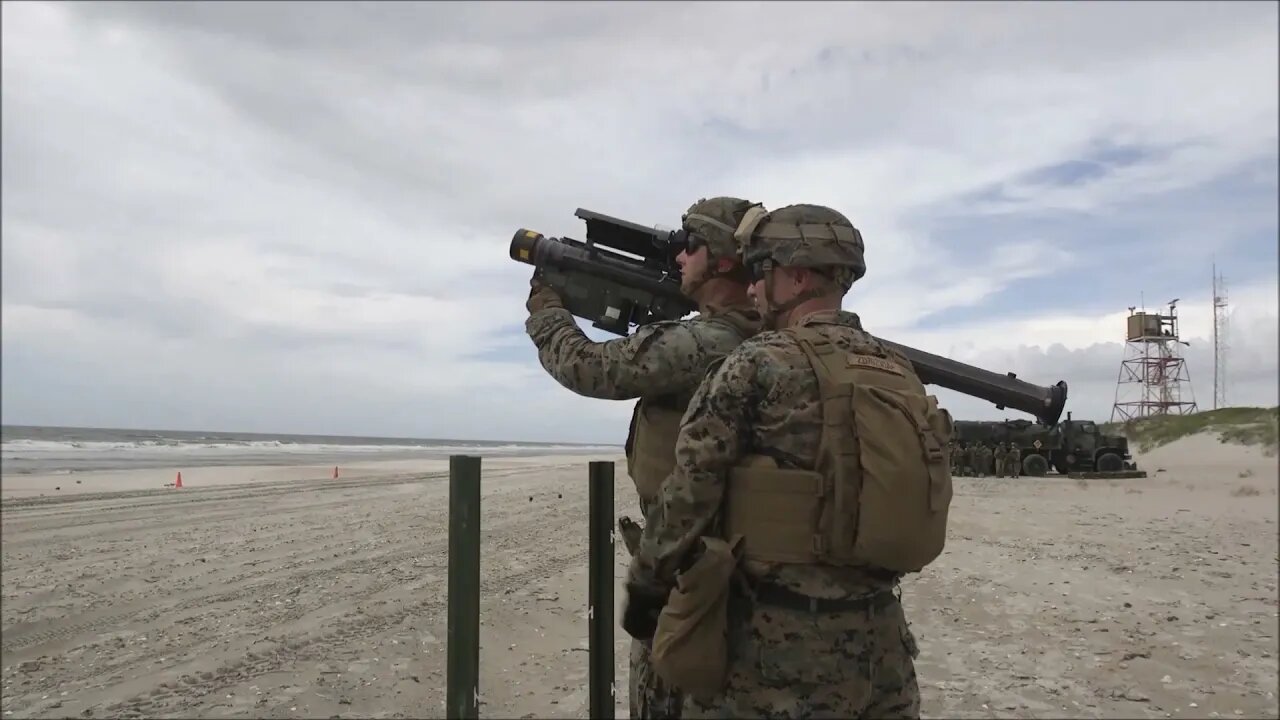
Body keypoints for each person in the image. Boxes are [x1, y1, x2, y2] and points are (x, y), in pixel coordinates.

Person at [625, 203, 953, 719]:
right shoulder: (898, 370)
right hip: (883, 646)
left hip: (777, 654)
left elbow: (687, 495)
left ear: (797, 276)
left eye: (760, 272)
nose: (752, 289)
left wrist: (646, 590)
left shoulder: (758, 363)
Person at [525, 196, 765, 720]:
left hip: (690, 564)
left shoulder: (711, 341)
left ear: (725, 260)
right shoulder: (758, 337)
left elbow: (591, 368)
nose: (679, 257)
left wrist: (547, 314)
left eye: (691, 246)